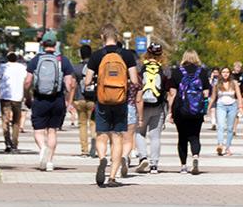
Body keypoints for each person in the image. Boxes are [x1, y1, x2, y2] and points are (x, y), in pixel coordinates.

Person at [82, 24, 140, 187]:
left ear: (102, 36)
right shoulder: (127, 55)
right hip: (121, 101)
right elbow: (135, 81)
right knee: (117, 137)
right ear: (118, 37)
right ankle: (113, 177)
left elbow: (87, 82)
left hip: (102, 100)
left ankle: (102, 159)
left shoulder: (96, 56)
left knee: (101, 134)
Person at [24, 38, 76, 172]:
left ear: (43, 46)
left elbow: (28, 81)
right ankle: (50, 162)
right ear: (55, 46)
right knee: (52, 131)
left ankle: (42, 148)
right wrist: (68, 100)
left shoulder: (35, 60)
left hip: (40, 99)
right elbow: (69, 84)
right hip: (57, 99)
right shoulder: (63, 60)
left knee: (38, 130)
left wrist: (27, 96)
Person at [168, 50, 211, 174]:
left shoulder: (177, 72)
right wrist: (204, 109)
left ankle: (183, 166)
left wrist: (171, 112)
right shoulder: (202, 72)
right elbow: (206, 93)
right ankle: (196, 156)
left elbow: (172, 93)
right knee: (195, 135)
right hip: (196, 109)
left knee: (182, 137)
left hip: (180, 109)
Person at [134, 43, 170, 173]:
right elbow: (168, 90)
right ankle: (154, 165)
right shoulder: (165, 69)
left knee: (139, 132)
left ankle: (143, 156)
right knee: (155, 136)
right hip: (158, 106)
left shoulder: (140, 67)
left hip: (142, 105)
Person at [0, 52, 28, 152]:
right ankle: (14, 143)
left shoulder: (3, 67)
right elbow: (26, 81)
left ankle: (7, 143)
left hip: (5, 97)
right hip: (18, 97)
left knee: (5, 120)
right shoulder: (22, 67)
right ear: (17, 58)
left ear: (7, 58)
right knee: (16, 121)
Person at [73, 43, 96, 157]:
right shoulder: (95, 67)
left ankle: (84, 150)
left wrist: (71, 100)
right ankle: (94, 148)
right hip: (93, 99)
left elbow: (72, 84)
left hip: (79, 98)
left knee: (82, 125)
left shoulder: (76, 68)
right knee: (93, 124)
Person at [211, 66, 239, 156]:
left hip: (232, 106)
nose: (225, 74)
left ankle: (228, 147)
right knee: (221, 126)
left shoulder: (234, 83)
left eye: (227, 72)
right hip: (221, 105)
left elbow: (238, 95)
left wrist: (241, 106)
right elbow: (213, 97)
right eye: (223, 72)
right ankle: (220, 144)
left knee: (230, 128)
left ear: (230, 73)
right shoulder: (217, 84)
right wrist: (208, 107)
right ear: (220, 74)